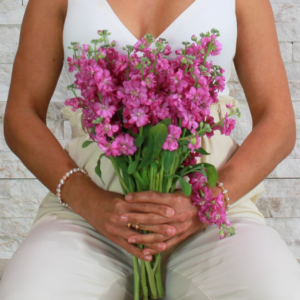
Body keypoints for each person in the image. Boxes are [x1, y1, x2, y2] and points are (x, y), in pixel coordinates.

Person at [0, 0, 300, 299]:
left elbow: (278, 122)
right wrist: (88, 201)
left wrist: (208, 202)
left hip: (213, 214)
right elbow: (21, 115)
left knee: (275, 291)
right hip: (85, 214)